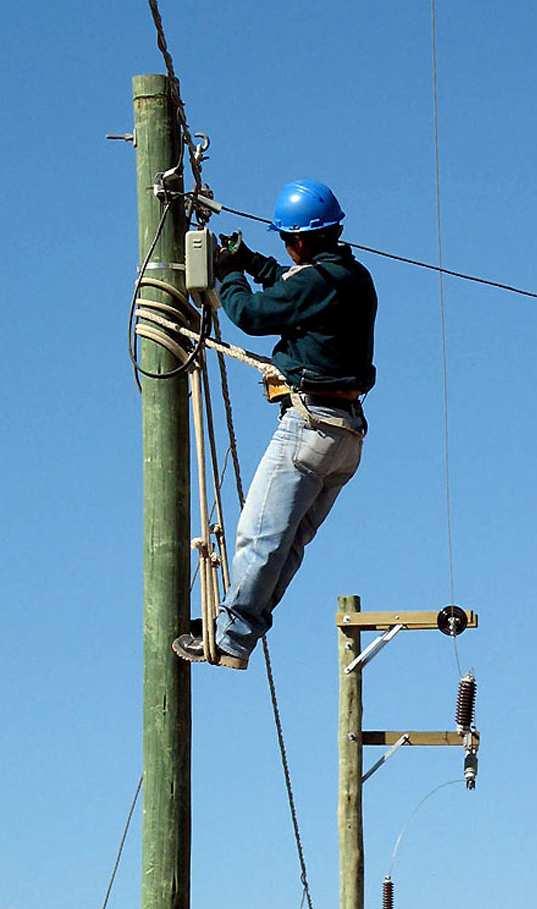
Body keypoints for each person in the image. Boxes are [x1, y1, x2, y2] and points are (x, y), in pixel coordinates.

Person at [173, 179, 377, 670]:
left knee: (258, 537)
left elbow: (252, 314)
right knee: (287, 546)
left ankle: (228, 640)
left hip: (308, 430)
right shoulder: (353, 277)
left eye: (287, 241)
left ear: (300, 241)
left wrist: (226, 274)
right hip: (346, 438)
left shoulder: (314, 283)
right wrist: (250, 260)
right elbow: (294, 287)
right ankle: (235, 629)